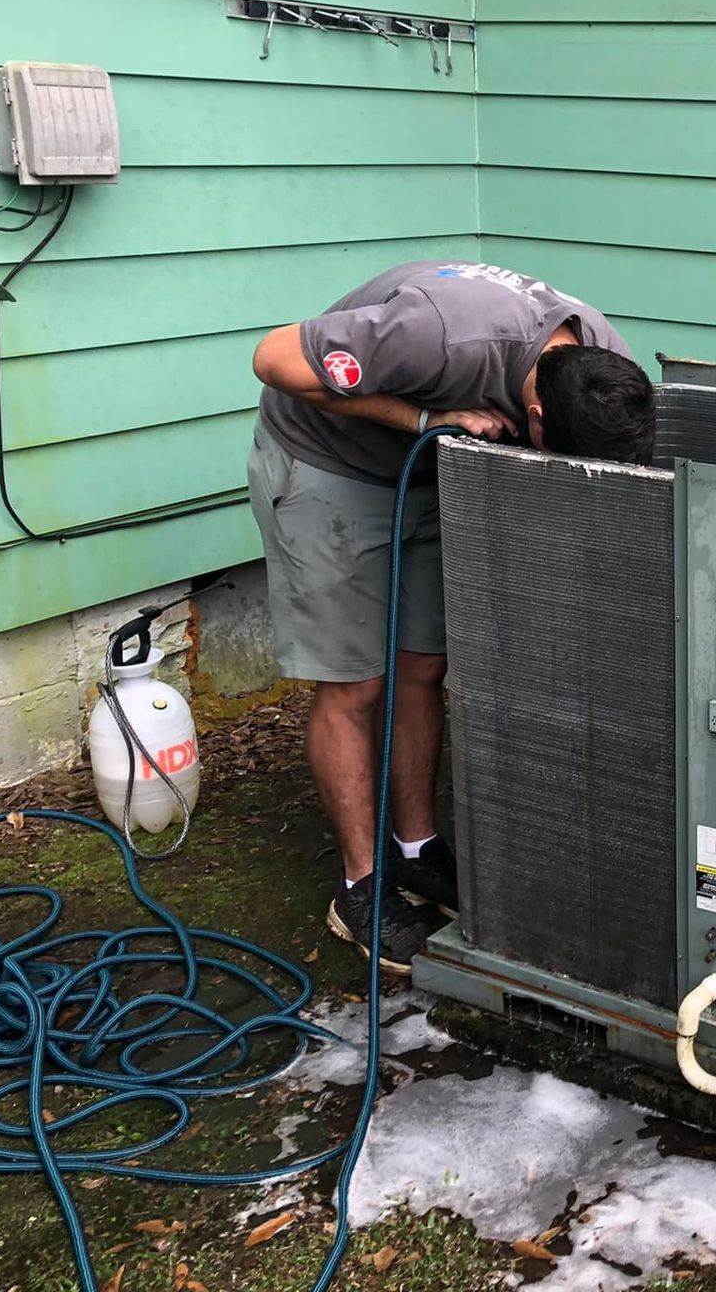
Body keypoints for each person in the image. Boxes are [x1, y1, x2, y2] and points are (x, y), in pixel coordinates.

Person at [248, 261, 655, 972]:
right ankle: (361, 887)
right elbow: (274, 359)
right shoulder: (438, 333)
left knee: (424, 666)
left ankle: (416, 849)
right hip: (328, 465)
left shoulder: (605, 365)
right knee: (356, 683)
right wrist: (423, 420)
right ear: (535, 417)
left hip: (432, 469)